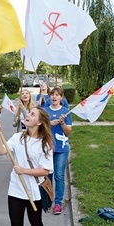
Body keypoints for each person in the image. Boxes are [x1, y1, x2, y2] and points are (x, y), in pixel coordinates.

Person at [0, 106, 54, 226]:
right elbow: (0, 151)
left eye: (32, 114)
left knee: (36, 222)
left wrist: (23, 170)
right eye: (28, 113)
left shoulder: (44, 144)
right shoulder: (18, 137)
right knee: (15, 223)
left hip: (34, 190)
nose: (27, 115)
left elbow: (45, 171)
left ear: (39, 122)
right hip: (16, 189)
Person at [43, 86, 72, 215]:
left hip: (61, 149)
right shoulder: (44, 111)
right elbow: (39, 129)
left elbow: (68, 132)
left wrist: (62, 123)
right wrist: (50, 123)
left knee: (59, 176)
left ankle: (58, 203)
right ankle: (47, 201)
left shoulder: (66, 112)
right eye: (52, 95)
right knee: (47, 176)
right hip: (47, 148)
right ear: (49, 97)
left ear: (61, 97)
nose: (54, 97)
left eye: (57, 95)